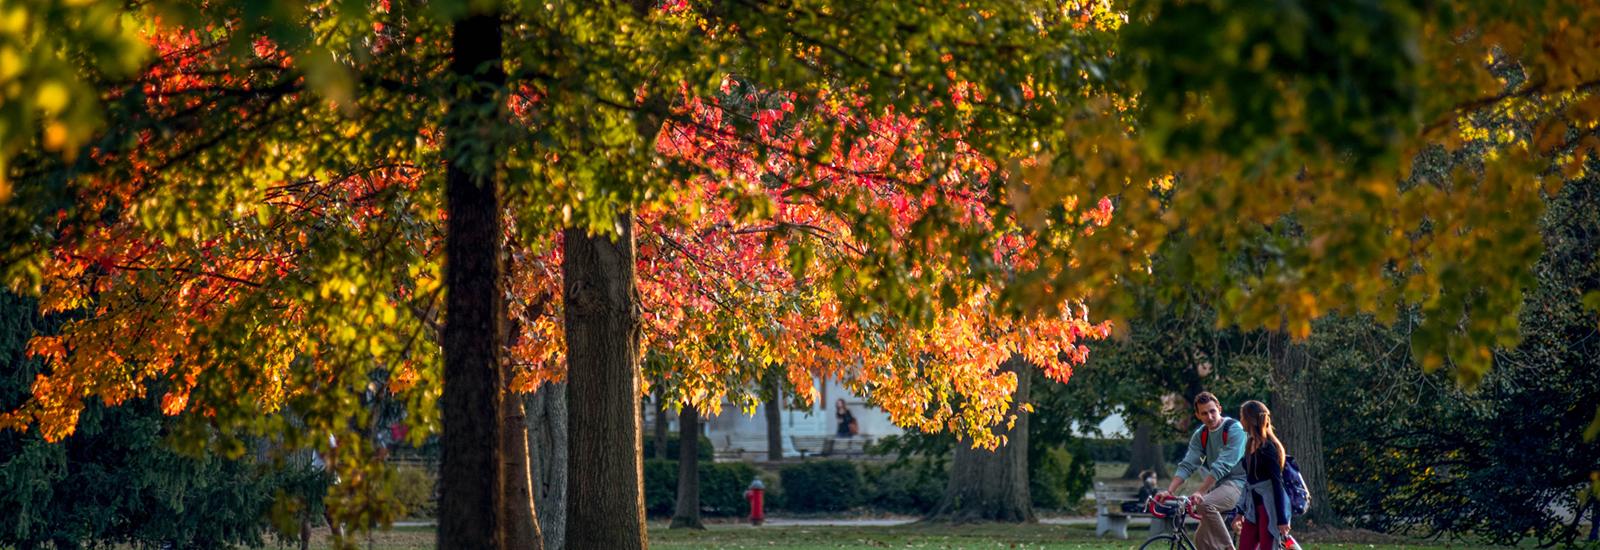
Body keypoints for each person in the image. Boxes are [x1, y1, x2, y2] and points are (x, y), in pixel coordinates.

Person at [1160, 392, 1246, 550]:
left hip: (1241, 485)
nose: (1210, 416)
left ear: (1219, 409)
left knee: (1205, 505)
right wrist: (1169, 491)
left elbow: (1223, 464)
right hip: (1220, 486)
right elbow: (1188, 464)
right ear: (1198, 415)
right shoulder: (1201, 435)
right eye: (1204, 413)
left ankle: (1229, 548)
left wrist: (1201, 492)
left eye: (1212, 411)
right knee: (1202, 541)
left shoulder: (1234, 429)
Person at [1237, 400, 1291, 550]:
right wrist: (1240, 511)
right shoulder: (1249, 444)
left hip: (1268, 507)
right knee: (1245, 546)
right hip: (1252, 507)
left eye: (1242, 416)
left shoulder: (1269, 448)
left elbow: (1276, 483)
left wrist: (1282, 519)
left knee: (1268, 547)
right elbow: (1249, 481)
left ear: (1250, 419)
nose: (1240, 420)